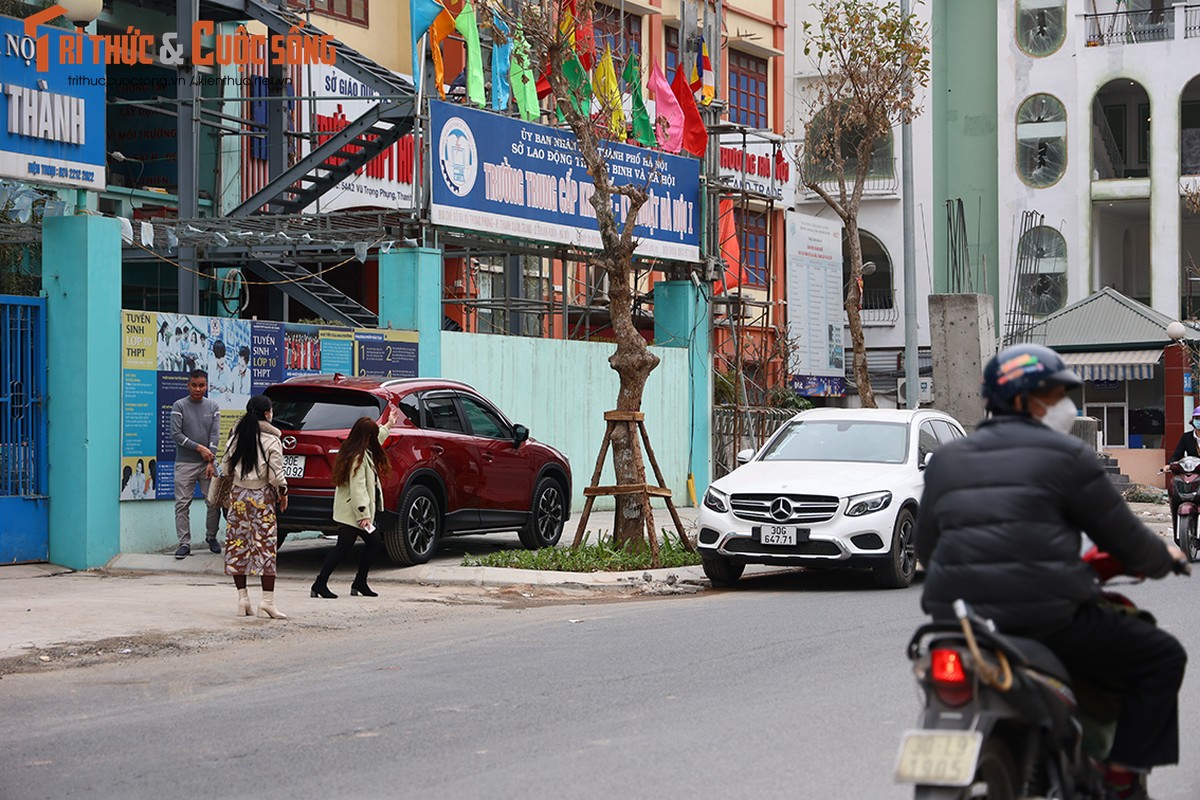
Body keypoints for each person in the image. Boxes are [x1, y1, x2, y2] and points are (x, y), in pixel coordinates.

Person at [916, 343, 1188, 800]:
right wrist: (1166, 557)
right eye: (1055, 393)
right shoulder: (1068, 457)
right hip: (1048, 621)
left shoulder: (947, 459)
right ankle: (1121, 775)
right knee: (1162, 657)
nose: (1067, 405)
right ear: (1024, 400)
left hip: (957, 623)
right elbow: (1127, 541)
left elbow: (927, 547)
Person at [310, 406, 400, 599]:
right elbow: (358, 488)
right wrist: (364, 516)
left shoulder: (356, 449)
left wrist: (389, 424)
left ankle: (352, 582)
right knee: (356, 545)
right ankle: (325, 583)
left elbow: (379, 438)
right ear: (366, 437)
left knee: (359, 544)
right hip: (353, 512)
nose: (374, 440)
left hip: (352, 512)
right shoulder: (358, 457)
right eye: (372, 437)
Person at [220, 395, 289, 619]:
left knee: (238, 546)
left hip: (238, 496)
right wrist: (283, 492)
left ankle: (243, 599)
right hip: (261, 497)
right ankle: (267, 602)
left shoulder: (235, 436)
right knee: (265, 547)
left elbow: (225, 467)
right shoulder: (272, 439)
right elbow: (276, 474)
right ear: (267, 413)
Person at [171, 369, 222, 558]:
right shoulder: (180, 406)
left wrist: (210, 460)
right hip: (184, 464)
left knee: (213, 502)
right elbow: (176, 435)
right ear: (188, 385)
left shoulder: (213, 406)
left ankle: (211, 537)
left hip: (208, 464)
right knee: (182, 504)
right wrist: (199, 448)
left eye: (201, 385)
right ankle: (184, 543)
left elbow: (215, 435)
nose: (198, 389)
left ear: (207, 385)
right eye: (194, 385)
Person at [1166, 408, 1200, 526]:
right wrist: (1170, 465)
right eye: (1197, 418)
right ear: (1192, 421)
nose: (1199, 421)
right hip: (1194, 474)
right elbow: (1177, 454)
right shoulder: (1187, 437)